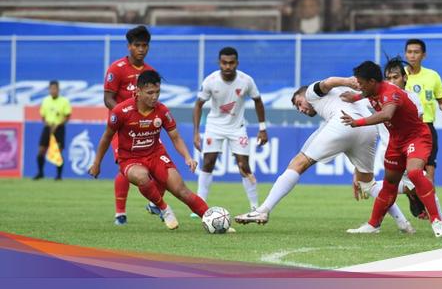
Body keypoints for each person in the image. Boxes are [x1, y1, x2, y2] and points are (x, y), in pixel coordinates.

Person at [234, 76, 415, 234]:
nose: (301, 109)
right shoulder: (349, 91)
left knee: (298, 163)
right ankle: (404, 218)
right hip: (367, 129)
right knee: (368, 184)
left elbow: (328, 82)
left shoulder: (312, 93)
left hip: (343, 124)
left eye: (299, 103)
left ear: (304, 95)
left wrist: (345, 81)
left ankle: (263, 209)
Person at [88, 70, 209, 230]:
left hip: (156, 155)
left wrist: (187, 157)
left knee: (181, 190)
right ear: (137, 91)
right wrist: (97, 163)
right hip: (130, 159)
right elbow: (106, 137)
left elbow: (175, 137)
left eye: (157, 92)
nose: (154, 97)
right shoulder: (121, 112)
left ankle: (212, 219)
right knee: (141, 177)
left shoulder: (163, 111)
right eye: (150, 92)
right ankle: (164, 208)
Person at [340, 61, 442, 237]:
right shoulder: (373, 90)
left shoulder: (391, 93)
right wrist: (355, 97)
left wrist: (356, 123)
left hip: (417, 137)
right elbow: (369, 95)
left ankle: (437, 220)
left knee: (414, 173)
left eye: (361, 83)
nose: (358, 86)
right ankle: (373, 224)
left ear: (372, 81)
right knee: (390, 183)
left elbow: (386, 114)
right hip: (396, 141)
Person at [192, 47, 268, 213]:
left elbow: (258, 101)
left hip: (237, 128)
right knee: (208, 162)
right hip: (214, 127)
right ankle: (200, 204)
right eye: (224, 63)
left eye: (231, 63)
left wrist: (262, 128)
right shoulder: (210, 81)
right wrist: (196, 132)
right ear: (219, 63)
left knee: (243, 166)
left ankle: (255, 207)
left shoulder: (246, 80)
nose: (227, 66)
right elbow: (198, 105)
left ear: (237, 63)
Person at [104, 25, 161, 226]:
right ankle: (120, 213)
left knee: (160, 166)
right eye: (137, 45)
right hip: (122, 129)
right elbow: (108, 99)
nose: (141, 49)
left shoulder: (151, 72)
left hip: (146, 127)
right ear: (129, 46)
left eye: (145, 45)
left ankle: (156, 204)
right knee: (125, 169)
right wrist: (125, 116)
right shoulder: (116, 69)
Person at [403, 39, 442, 227]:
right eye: (409, 52)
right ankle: (414, 198)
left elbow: (441, 100)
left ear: (423, 55)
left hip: (426, 128)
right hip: (404, 130)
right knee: (406, 176)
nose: (412, 55)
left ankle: (437, 216)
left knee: (429, 173)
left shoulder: (432, 76)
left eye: (416, 52)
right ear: (405, 54)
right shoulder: (399, 76)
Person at [34, 80, 71, 180]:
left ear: (58, 89)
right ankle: (40, 173)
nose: (53, 90)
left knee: (58, 151)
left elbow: (67, 116)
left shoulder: (64, 101)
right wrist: (47, 124)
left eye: (55, 88)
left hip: (59, 128)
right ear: (49, 89)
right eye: (51, 88)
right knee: (41, 150)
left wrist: (57, 124)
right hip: (48, 127)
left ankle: (59, 176)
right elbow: (43, 116)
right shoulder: (45, 101)